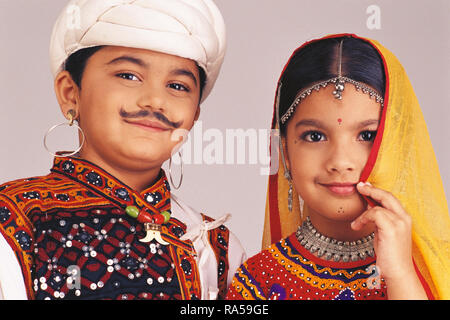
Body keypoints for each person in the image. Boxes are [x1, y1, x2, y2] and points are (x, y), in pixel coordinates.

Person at [0, 0, 245, 300]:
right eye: (128, 76)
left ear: (194, 115)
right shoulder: (14, 219)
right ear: (70, 92)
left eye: (178, 86)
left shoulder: (216, 246)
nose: (155, 101)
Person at [226, 34, 450, 300]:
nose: (340, 162)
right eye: (315, 136)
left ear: (396, 146)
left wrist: (401, 275)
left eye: (367, 136)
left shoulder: (438, 267)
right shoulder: (259, 280)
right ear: (284, 150)